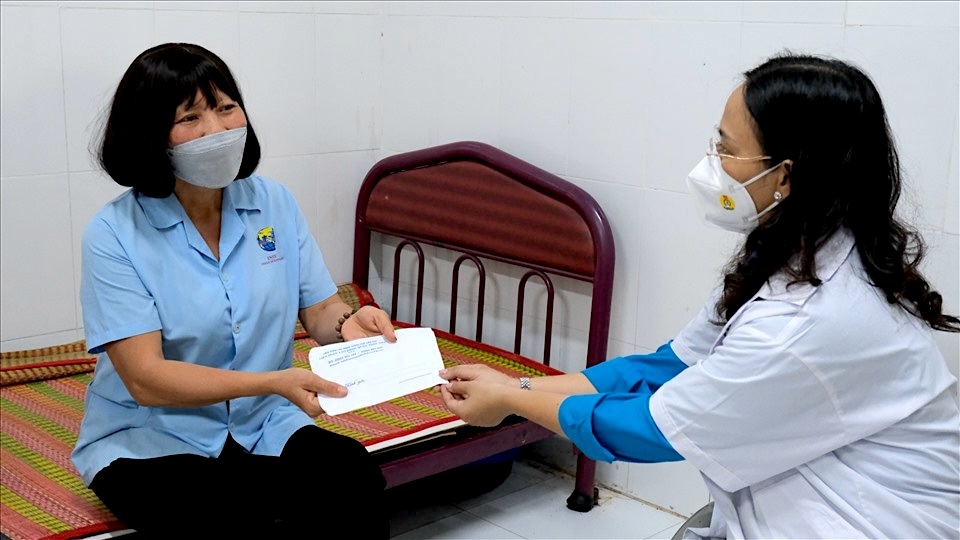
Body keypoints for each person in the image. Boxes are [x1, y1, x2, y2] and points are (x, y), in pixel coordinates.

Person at [439, 53, 960, 539]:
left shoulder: (806, 322)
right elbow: (668, 367)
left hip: (870, 522)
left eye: (728, 150)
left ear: (784, 174)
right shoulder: (795, 253)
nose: (714, 164)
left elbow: (650, 430)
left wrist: (510, 402)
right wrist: (520, 385)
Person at [71, 43, 395, 539]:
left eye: (225, 108)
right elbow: (146, 379)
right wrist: (270, 382)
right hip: (150, 438)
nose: (217, 130)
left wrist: (350, 324)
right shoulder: (114, 233)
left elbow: (320, 308)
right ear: (150, 134)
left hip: (264, 422)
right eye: (190, 117)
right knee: (225, 513)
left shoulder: (274, 203)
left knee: (351, 475)